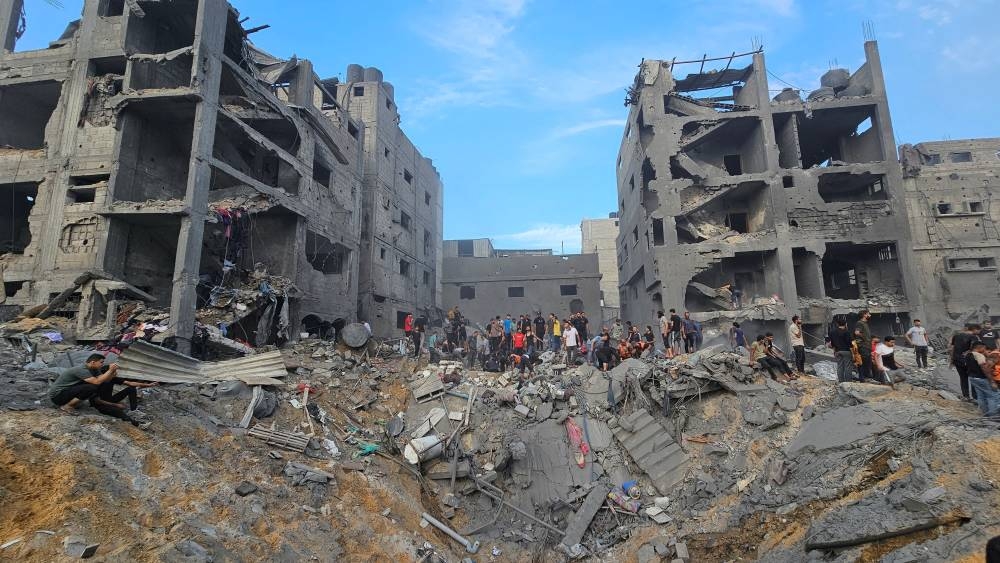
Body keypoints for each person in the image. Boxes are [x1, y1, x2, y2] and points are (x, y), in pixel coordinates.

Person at [49, 353, 156, 425]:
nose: (101, 365)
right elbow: (97, 383)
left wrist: (149, 385)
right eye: (100, 362)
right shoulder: (81, 370)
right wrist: (110, 370)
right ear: (92, 362)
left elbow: (104, 379)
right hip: (58, 396)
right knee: (92, 388)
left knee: (130, 389)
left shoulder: (97, 373)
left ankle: (134, 411)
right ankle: (68, 406)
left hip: (72, 393)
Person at [950, 323, 981, 400]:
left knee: (963, 378)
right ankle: (975, 398)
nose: (979, 332)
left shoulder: (956, 336)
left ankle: (966, 396)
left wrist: (951, 360)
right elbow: (975, 349)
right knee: (973, 378)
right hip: (969, 361)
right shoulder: (974, 337)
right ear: (975, 329)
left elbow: (952, 348)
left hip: (957, 360)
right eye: (979, 330)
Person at [829, 318, 855, 383]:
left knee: (840, 366)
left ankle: (841, 381)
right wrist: (853, 353)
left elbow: (832, 343)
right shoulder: (847, 332)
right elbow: (850, 343)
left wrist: (834, 351)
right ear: (846, 324)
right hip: (846, 351)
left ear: (837, 324)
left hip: (837, 351)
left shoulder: (832, 332)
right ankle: (848, 382)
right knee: (847, 366)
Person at [855, 310, 874, 381]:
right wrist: (864, 337)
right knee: (862, 361)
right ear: (864, 315)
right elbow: (857, 332)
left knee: (867, 361)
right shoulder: (860, 323)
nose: (870, 315)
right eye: (868, 314)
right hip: (863, 345)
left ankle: (866, 376)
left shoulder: (865, 323)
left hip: (867, 346)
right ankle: (862, 377)